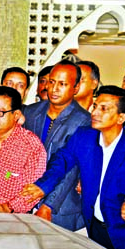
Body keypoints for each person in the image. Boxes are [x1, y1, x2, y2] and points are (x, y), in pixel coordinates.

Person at [23, 86, 125, 249]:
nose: (94, 112)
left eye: (103, 108)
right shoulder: (83, 136)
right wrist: (43, 186)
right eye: (95, 105)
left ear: (121, 118)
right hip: (92, 227)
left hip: (121, 233)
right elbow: (61, 161)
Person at [22, 60, 91, 231]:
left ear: (75, 88)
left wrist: (49, 205)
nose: (54, 89)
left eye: (62, 84)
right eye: (51, 82)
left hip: (61, 207)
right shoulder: (31, 112)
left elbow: (72, 168)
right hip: (26, 199)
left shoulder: (84, 121)